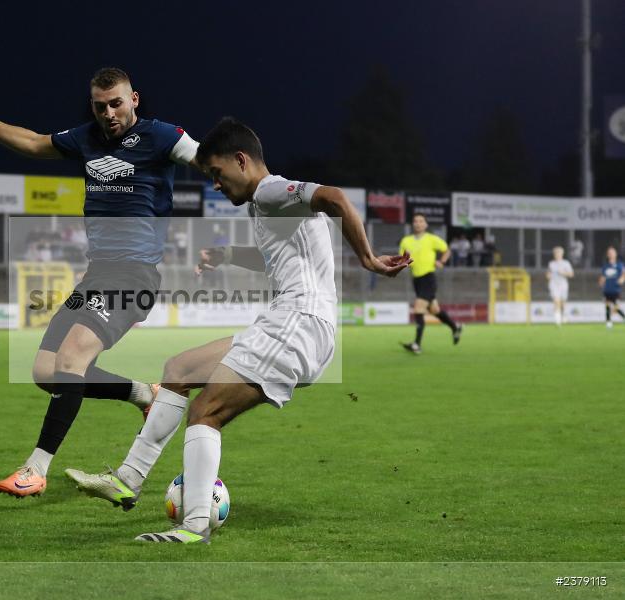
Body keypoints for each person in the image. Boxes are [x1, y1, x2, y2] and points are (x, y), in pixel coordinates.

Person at [63, 117, 411, 543]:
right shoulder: (264, 204)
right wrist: (227, 254)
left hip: (298, 324)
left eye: (217, 173)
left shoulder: (268, 190)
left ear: (241, 160)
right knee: (179, 367)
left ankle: (193, 527)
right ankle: (128, 479)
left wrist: (369, 259)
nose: (215, 184)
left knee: (205, 412)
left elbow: (335, 198)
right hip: (289, 324)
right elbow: (275, 258)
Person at [0, 67, 201, 498]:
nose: (109, 113)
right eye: (100, 106)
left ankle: (35, 469)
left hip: (134, 275)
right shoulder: (85, 138)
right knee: (45, 371)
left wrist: (264, 190)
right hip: (96, 276)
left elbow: (208, 160)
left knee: (71, 360)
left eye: (116, 103)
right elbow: (34, 143)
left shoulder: (162, 136)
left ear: (135, 100)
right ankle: (144, 394)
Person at [399, 214, 462, 355]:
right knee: (434, 310)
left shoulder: (432, 239)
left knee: (418, 308)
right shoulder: (406, 241)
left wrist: (442, 262)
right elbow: (403, 259)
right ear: (412, 224)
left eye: (421, 221)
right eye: (415, 221)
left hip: (429, 278)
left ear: (426, 225)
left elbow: (447, 250)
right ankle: (455, 327)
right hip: (416, 280)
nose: (418, 223)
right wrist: (403, 264)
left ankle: (417, 344)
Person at [546, 246, 574, 326]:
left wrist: (563, 273)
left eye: (559, 253)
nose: (557, 255)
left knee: (562, 302)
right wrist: (548, 275)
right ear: (554, 255)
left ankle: (564, 315)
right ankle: (557, 320)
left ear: (562, 254)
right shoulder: (551, 264)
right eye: (556, 253)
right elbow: (548, 274)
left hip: (563, 284)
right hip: (554, 284)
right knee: (556, 301)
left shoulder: (566, 263)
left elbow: (571, 274)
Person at [599, 246, 625, 329]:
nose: (611, 254)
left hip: (616, 289)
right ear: (607, 255)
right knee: (607, 306)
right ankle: (608, 322)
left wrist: (622, 279)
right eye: (609, 253)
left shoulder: (619, 264)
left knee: (616, 307)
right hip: (607, 289)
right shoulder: (605, 266)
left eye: (612, 252)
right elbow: (602, 277)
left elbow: (624, 274)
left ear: (615, 254)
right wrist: (601, 282)